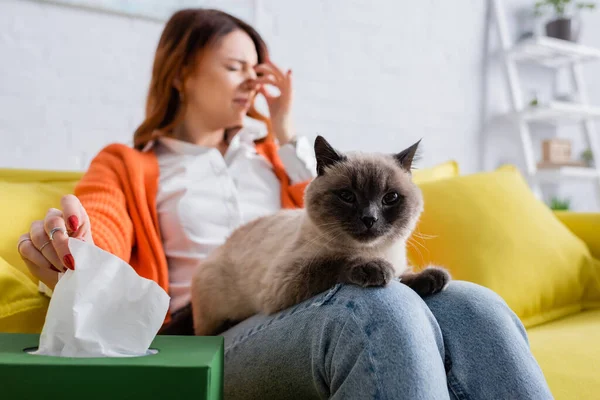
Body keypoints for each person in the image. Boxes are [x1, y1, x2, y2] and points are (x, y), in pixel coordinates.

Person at [16, 8, 553, 399]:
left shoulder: (281, 161)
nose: (251, 81)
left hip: (320, 298)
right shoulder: (130, 162)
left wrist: (285, 134)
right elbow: (101, 224)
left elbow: (333, 218)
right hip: (215, 334)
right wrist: (74, 246)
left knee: (475, 305)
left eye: (259, 71)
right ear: (181, 72)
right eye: (234, 68)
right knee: (376, 308)